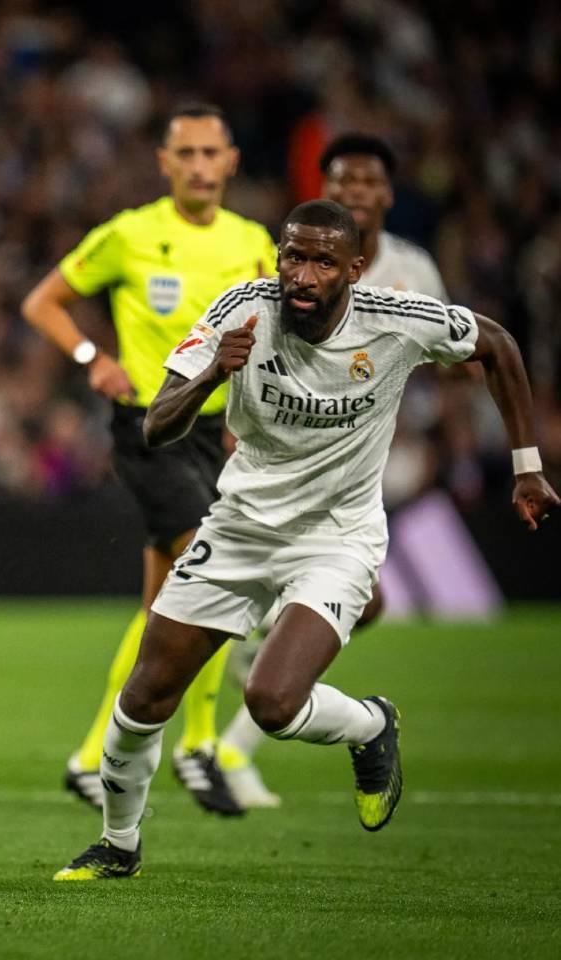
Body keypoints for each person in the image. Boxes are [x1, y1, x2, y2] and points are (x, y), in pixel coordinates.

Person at [54, 199, 557, 881]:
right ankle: (118, 846)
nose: (303, 272)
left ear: (353, 269)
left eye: (323, 260)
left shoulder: (395, 321)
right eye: (294, 255)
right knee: (144, 697)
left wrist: (527, 468)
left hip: (337, 538)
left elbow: (497, 345)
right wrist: (210, 375)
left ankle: (372, 726)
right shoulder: (241, 311)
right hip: (237, 527)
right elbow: (156, 425)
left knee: (272, 703)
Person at [21, 103, 274, 815]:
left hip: (218, 433)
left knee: (163, 603)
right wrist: (90, 356)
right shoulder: (131, 235)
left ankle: (89, 757)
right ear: (164, 163)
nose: (198, 166)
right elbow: (42, 302)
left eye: (209, 153)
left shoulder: (253, 243)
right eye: (185, 154)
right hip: (149, 427)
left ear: (230, 162)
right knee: (212, 563)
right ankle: (196, 746)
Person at [218, 132, 448, 808]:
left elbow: (452, 356)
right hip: (276, 467)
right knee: (356, 601)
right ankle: (230, 732)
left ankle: (237, 722)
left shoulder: (414, 272)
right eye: (339, 181)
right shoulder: (294, 266)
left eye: (366, 182)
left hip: (353, 470)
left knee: (361, 604)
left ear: (386, 194)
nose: (353, 192)